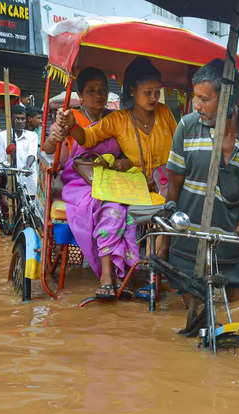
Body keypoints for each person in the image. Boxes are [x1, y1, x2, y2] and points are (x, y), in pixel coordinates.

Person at [52, 60, 177, 299]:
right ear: (132, 91)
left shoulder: (165, 113)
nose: (153, 98)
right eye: (147, 93)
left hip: (167, 185)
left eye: (156, 93)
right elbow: (87, 138)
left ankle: (157, 273)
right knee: (121, 213)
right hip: (135, 188)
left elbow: (179, 147)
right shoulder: (117, 120)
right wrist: (71, 126)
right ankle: (127, 273)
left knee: (171, 211)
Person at [161, 58, 239, 303]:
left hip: (235, 251)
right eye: (195, 97)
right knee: (194, 322)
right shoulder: (187, 127)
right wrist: (164, 243)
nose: (196, 105)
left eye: (204, 99)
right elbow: (174, 188)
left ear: (230, 100)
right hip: (190, 247)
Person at [0, 104, 39, 197]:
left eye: (23, 119)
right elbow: (2, 159)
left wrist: (27, 166)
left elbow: (32, 154)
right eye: (17, 119)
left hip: (29, 182)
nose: (20, 121)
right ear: (10, 119)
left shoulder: (32, 135)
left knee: (31, 208)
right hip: (11, 182)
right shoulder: (2, 136)